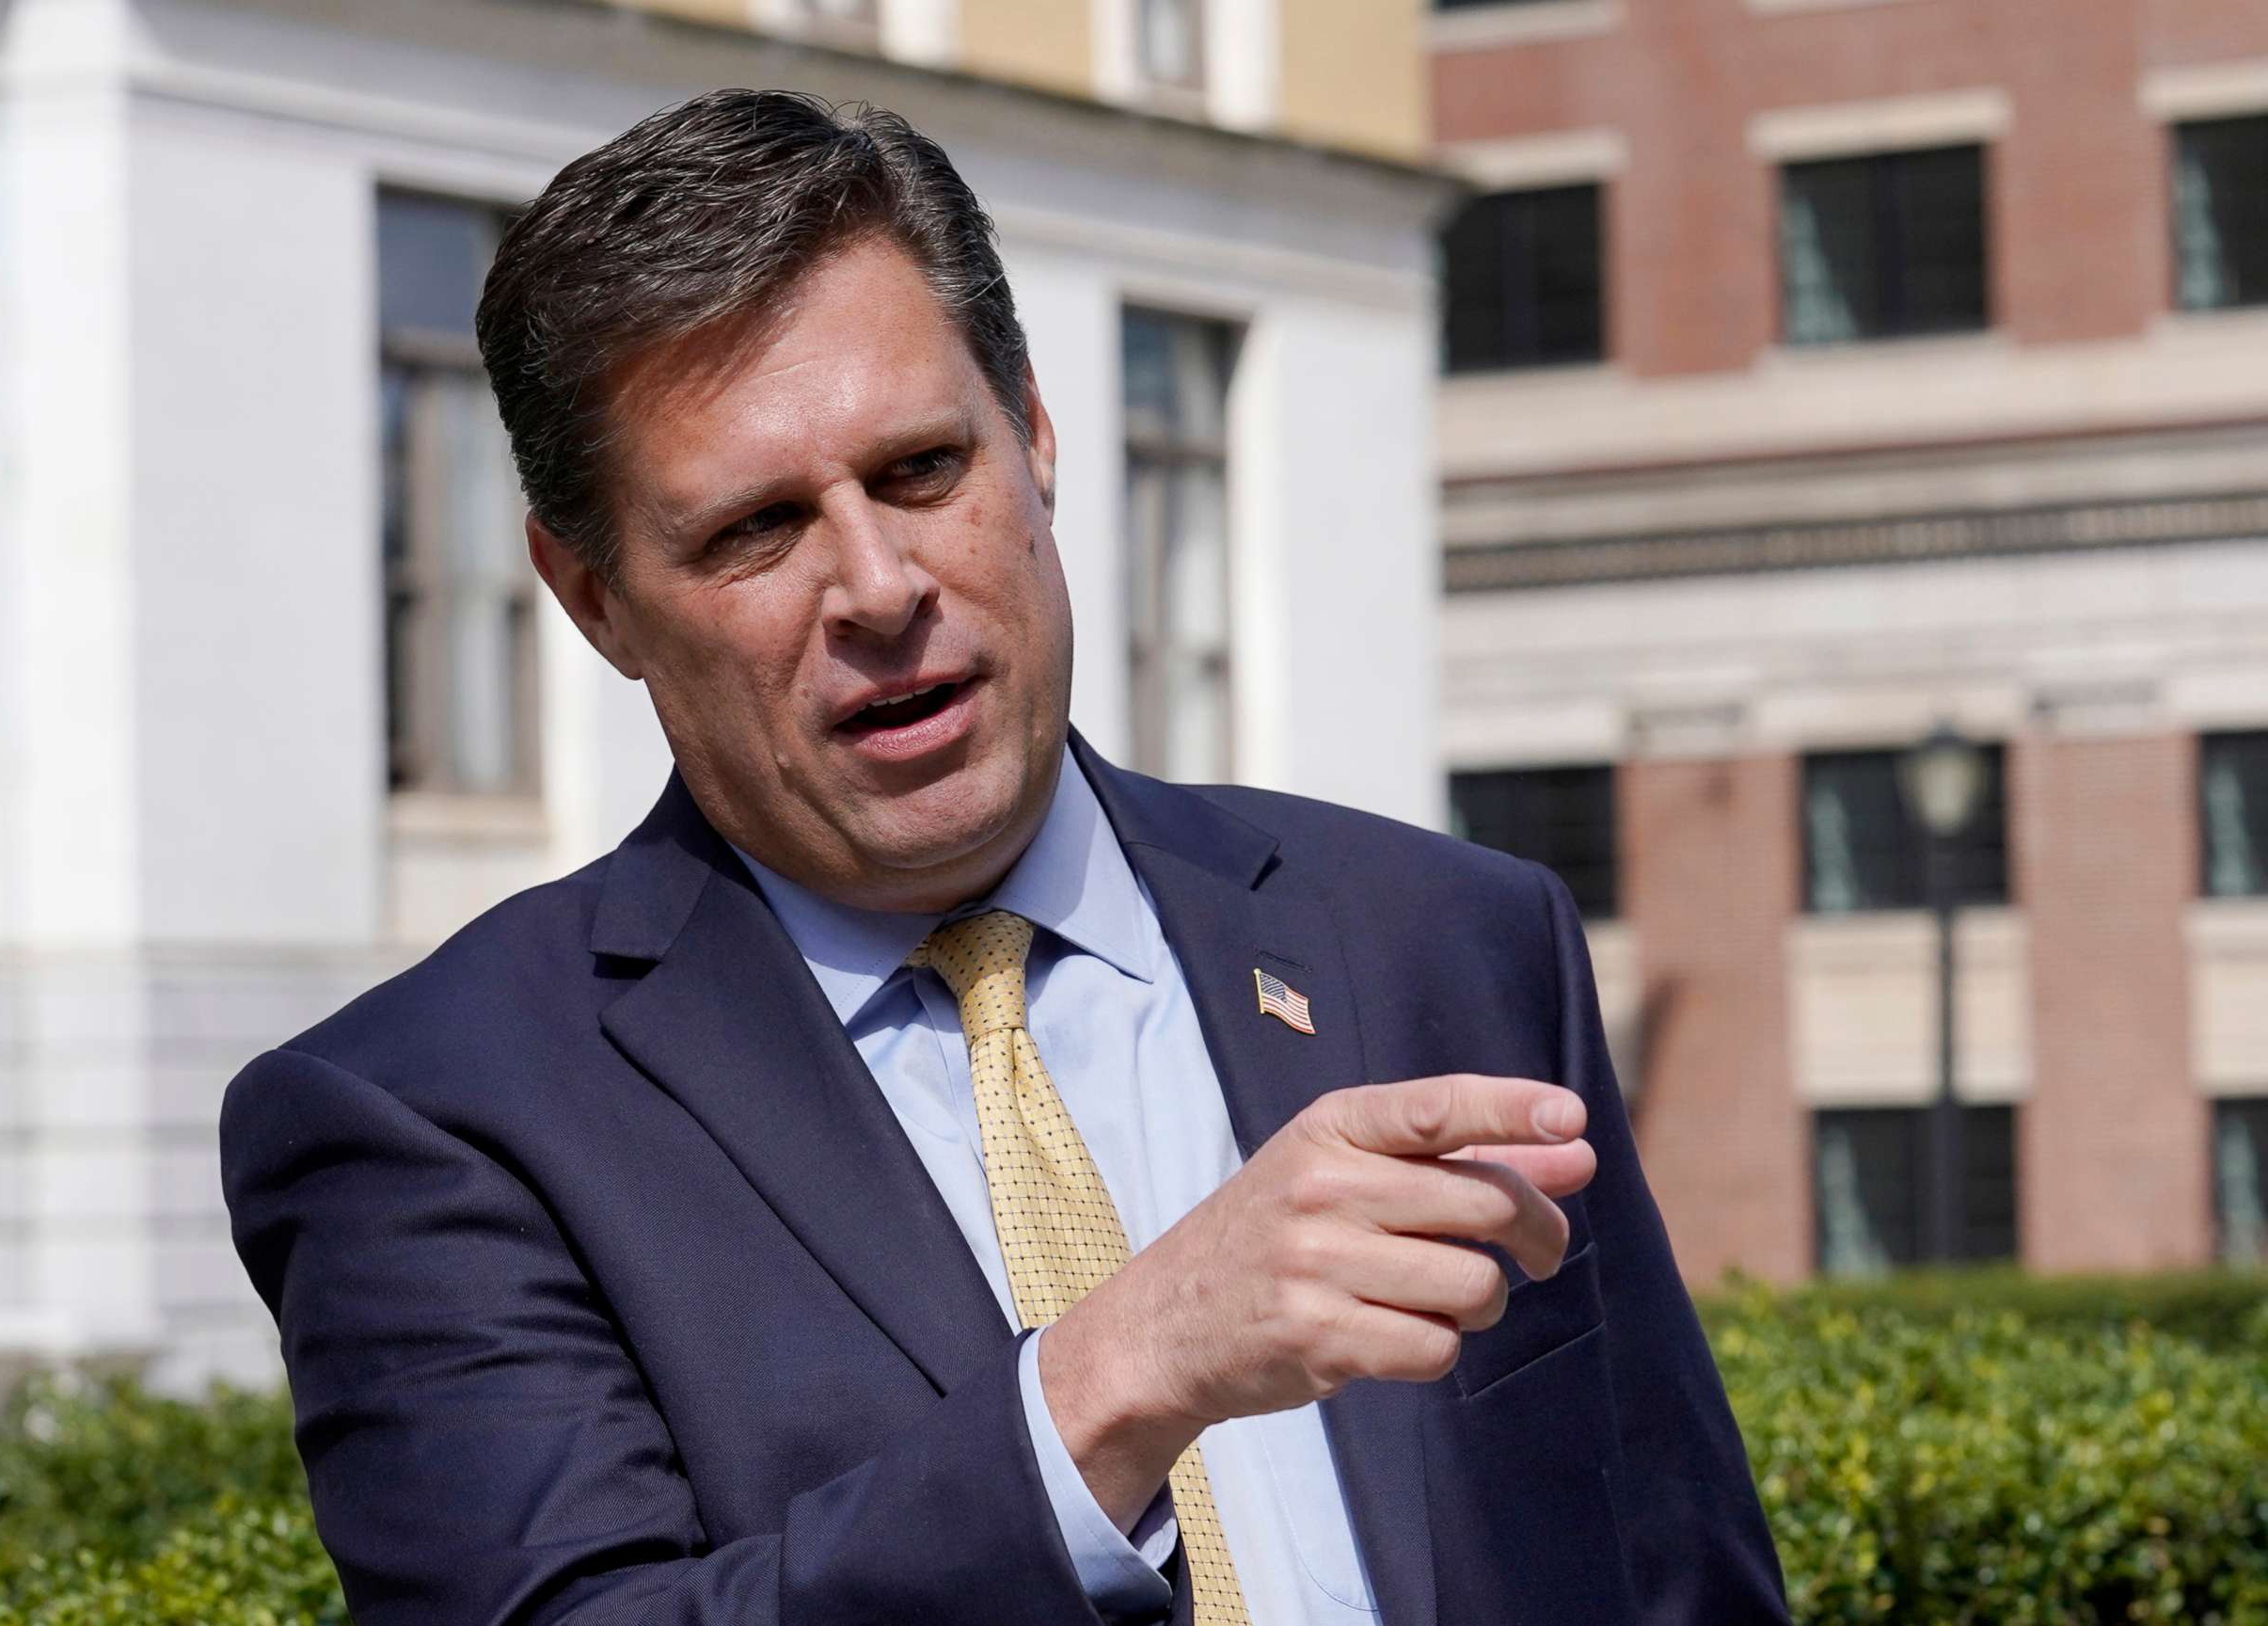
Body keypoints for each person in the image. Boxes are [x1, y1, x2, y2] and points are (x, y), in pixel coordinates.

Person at [221, 89, 1788, 1626]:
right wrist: (1114, 1384)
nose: (880, 584)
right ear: (594, 601)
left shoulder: (1446, 936)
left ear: (1033, 436)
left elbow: (1678, 1574)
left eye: (920, 471)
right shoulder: (425, 1117)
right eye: (758, 529)